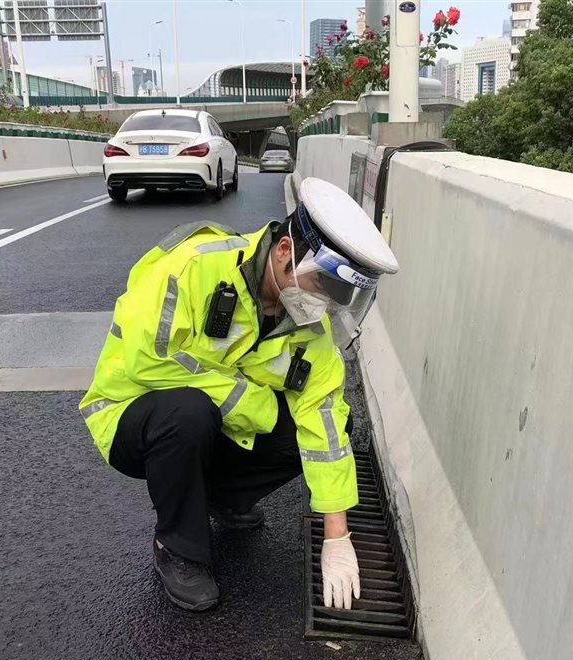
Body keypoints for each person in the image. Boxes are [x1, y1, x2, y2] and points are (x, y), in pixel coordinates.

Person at [79, 178, 399, 612]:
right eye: (322, 284)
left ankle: (220, 499)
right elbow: (148, 361)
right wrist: (255, 405)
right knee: (189, 412)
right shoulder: (193, 267)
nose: (324, 303)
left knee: (335, 423)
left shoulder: (312, 332)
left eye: (340, 294)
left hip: (220, 425)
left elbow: (322, 420)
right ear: (285, 250)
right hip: (131, 415)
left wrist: (337, 536)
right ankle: (179, 548)